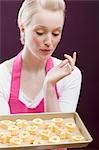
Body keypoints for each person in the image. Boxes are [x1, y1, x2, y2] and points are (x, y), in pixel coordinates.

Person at [0, 0, 81, 149]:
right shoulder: (2, 76)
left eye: (56, 33)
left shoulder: (70, 75)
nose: (49, 42)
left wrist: (49, 86)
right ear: (23, 29)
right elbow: (5, 142)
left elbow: (60, 144)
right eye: (40, 32)